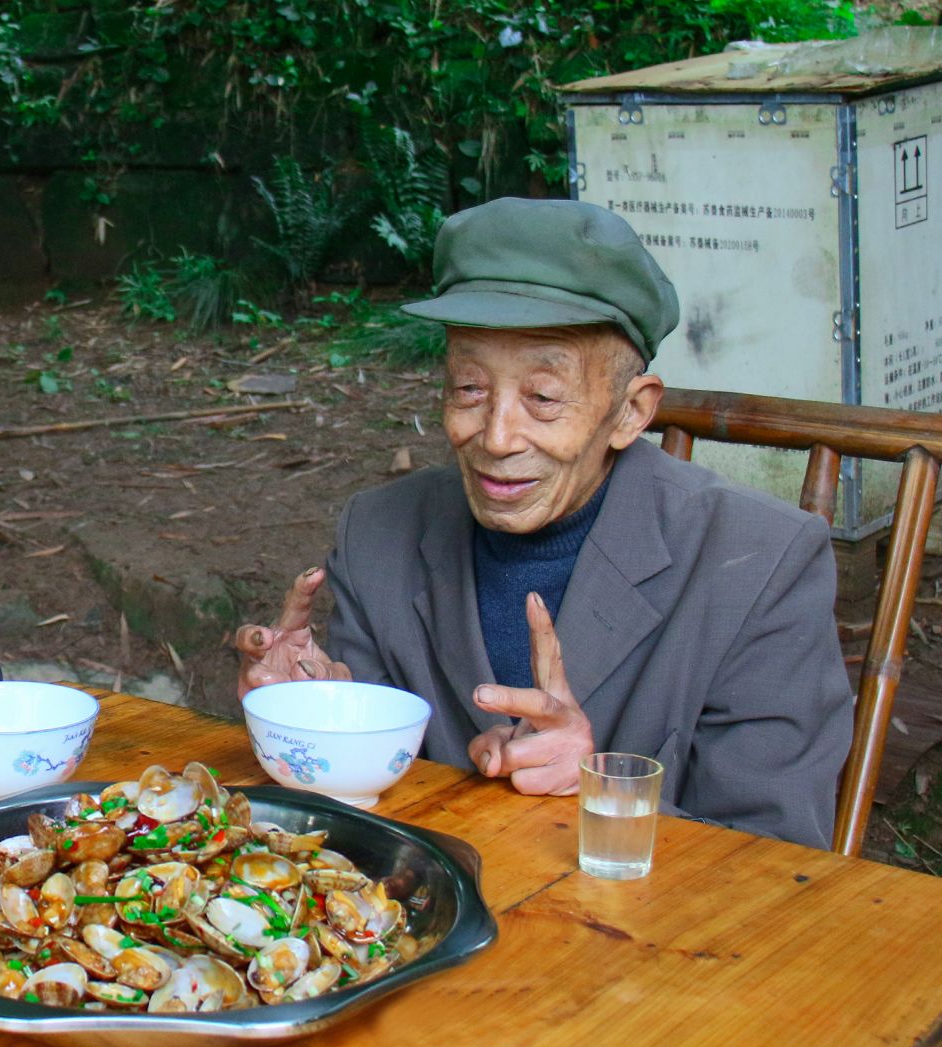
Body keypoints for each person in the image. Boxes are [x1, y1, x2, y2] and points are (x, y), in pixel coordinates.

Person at [235, 198, 852, 849]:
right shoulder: (380, 532)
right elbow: (352, 821)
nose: (497, 436)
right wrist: (306, 713)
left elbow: (780, 868)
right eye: (469, 387)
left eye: (544, 397)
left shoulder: (759, 563)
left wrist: (596, 790)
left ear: (630, 414)